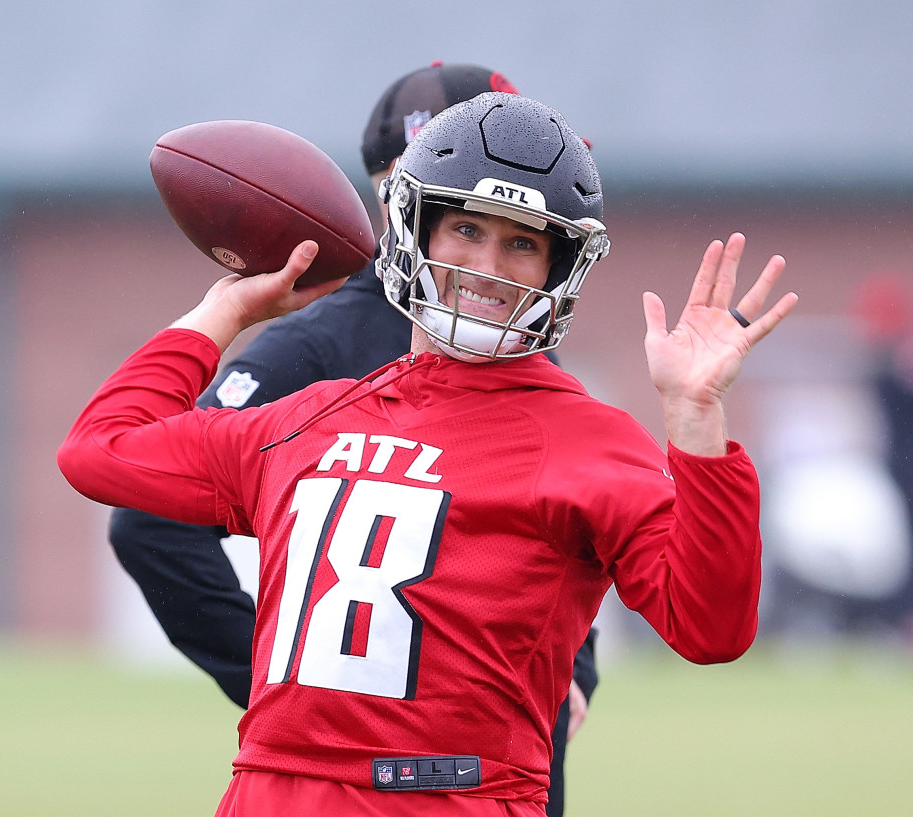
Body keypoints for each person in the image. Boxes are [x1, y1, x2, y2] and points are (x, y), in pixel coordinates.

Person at [59, 92, 797, 815]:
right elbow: (99, 451)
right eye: (468, 229)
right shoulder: (316, 415)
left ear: (556, 269)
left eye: (523, 242)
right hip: (269, 792)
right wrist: (228, 308)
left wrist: (696, 419)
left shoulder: (588, 441)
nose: (488, 264)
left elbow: (711, 629)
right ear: (414, 229)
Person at [108, 62, 597, 816]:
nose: (493, 248)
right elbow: (147, 518)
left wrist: (579, 664)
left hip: (503, 766)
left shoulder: (514, 330)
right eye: (464, 200)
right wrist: (299, 683)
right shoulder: (313, 348)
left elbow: (570, 517)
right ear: (398, 186)